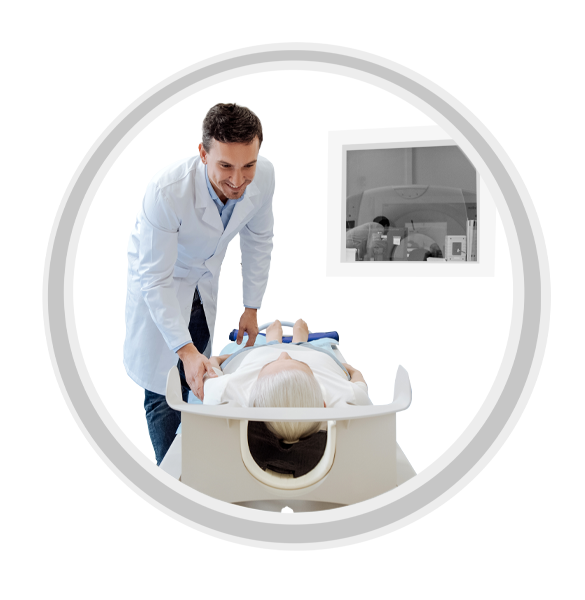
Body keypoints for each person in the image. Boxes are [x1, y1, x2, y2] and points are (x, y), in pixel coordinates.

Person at [124, 103, 275, 464]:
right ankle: (171, 473)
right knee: (164, 388)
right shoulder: (166, 192)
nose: (238, 180)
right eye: (226, 166)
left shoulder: (264, 176)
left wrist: (251, 307)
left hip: (203, 280)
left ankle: (200, 464)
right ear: (203, 154)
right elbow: (155, 278)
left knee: (201, 378)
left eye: (248, 165)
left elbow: (258, 240)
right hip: (162, 280)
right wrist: (185, 351)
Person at [202, 319, 372, 444]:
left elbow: (211, 368)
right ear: (324, 404)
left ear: (250, 404)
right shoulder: (348, 399)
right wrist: (350, 370)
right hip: (315, 357)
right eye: (296, 362)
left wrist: (223, 358)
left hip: (260, 353)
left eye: (270, 364)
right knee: (301, 342)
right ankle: (300, 340)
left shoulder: (225, 393)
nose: (284, 354)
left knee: (270, 342)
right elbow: (359, 382)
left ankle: (273, 341)